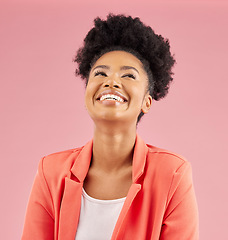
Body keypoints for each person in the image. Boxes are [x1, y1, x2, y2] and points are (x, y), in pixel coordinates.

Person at [22, 14, 199, 240]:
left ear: (147, 101)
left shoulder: (172, 174)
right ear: (87, 93)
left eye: (128, 75)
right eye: (100, 73)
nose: (111, 81)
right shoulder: (51, 172)